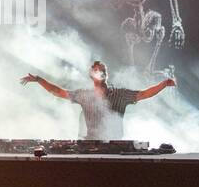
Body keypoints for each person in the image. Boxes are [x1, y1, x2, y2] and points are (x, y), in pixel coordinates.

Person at [19, 60, 175, 140]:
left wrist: (163, 84)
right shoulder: (85, 96)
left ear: (106, 75)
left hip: (114, 149)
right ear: (91, 75)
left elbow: (143, 94)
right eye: (96, 70)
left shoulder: (120, 94)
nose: (99, 72)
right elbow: (58, 92)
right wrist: (39, 80)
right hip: (90, 146)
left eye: (102, 71)